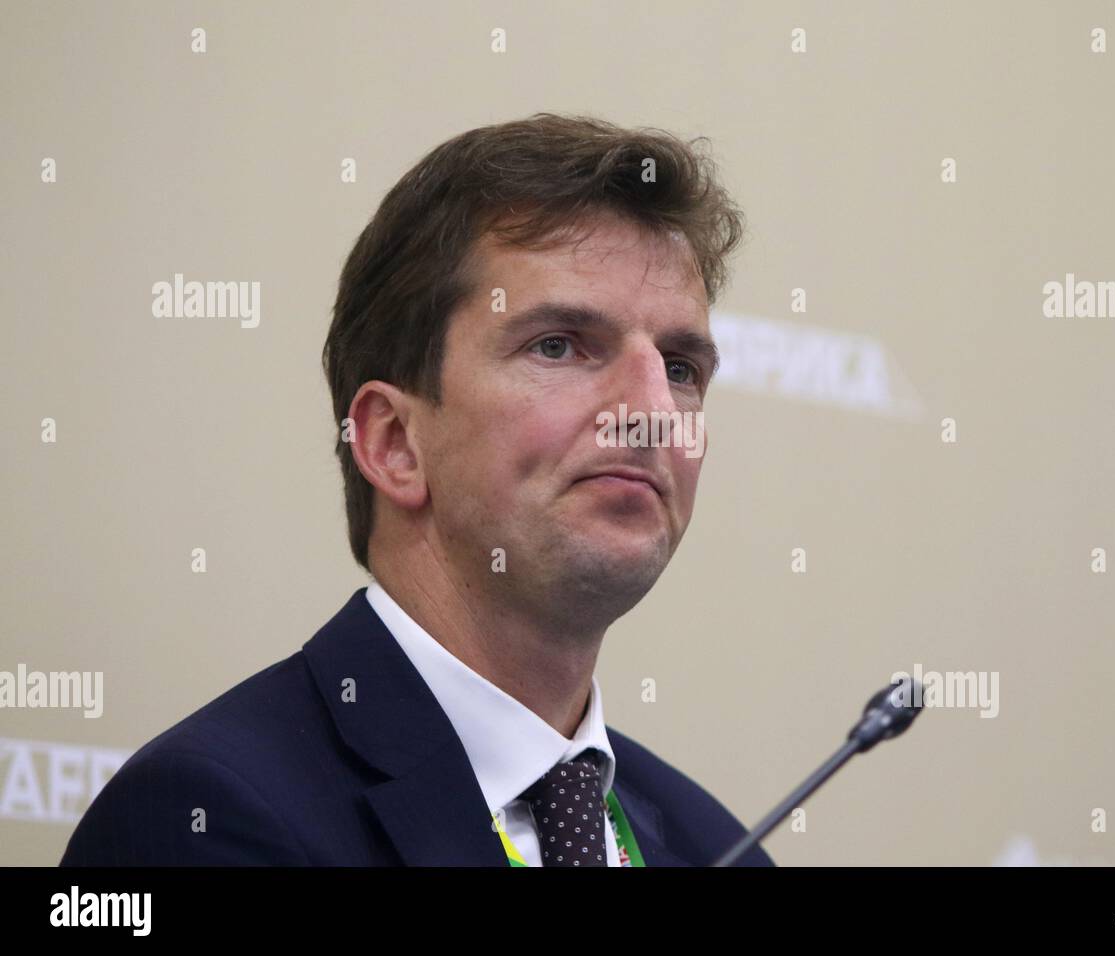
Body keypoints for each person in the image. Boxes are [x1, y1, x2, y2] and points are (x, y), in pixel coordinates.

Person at [61, 113, 773, 866]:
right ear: (393, 443)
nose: (655, 413)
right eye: (559, 345)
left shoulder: (719, 848)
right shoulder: (205, 815)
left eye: (681, 367)